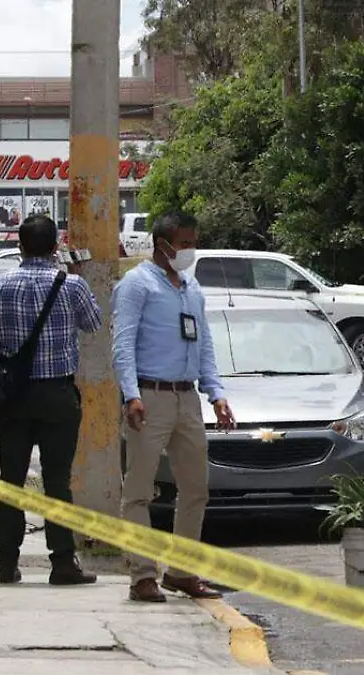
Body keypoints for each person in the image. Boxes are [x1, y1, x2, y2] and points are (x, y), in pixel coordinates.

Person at [113, 211, 236, 603]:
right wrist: (130, 394)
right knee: (139, 490)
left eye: (192, 243)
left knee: (196, 488)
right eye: (184, 244)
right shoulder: (136, 285)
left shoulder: (191, 287)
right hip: (149, 397)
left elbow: (205, 345)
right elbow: (122, 344)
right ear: (162, 244)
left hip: (187, 398)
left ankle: (181, 572)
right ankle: (143, 575)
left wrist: (216, 394)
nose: (190, 250)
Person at [0, 214, 101, 586]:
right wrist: (76, 272)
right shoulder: (72, 285)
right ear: (56, 246)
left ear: (20, 247)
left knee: (10, 479)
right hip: (58, 396)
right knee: (58, 480)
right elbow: (93, 323)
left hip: (14, 396)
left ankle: (6, 561)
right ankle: (62, 561)